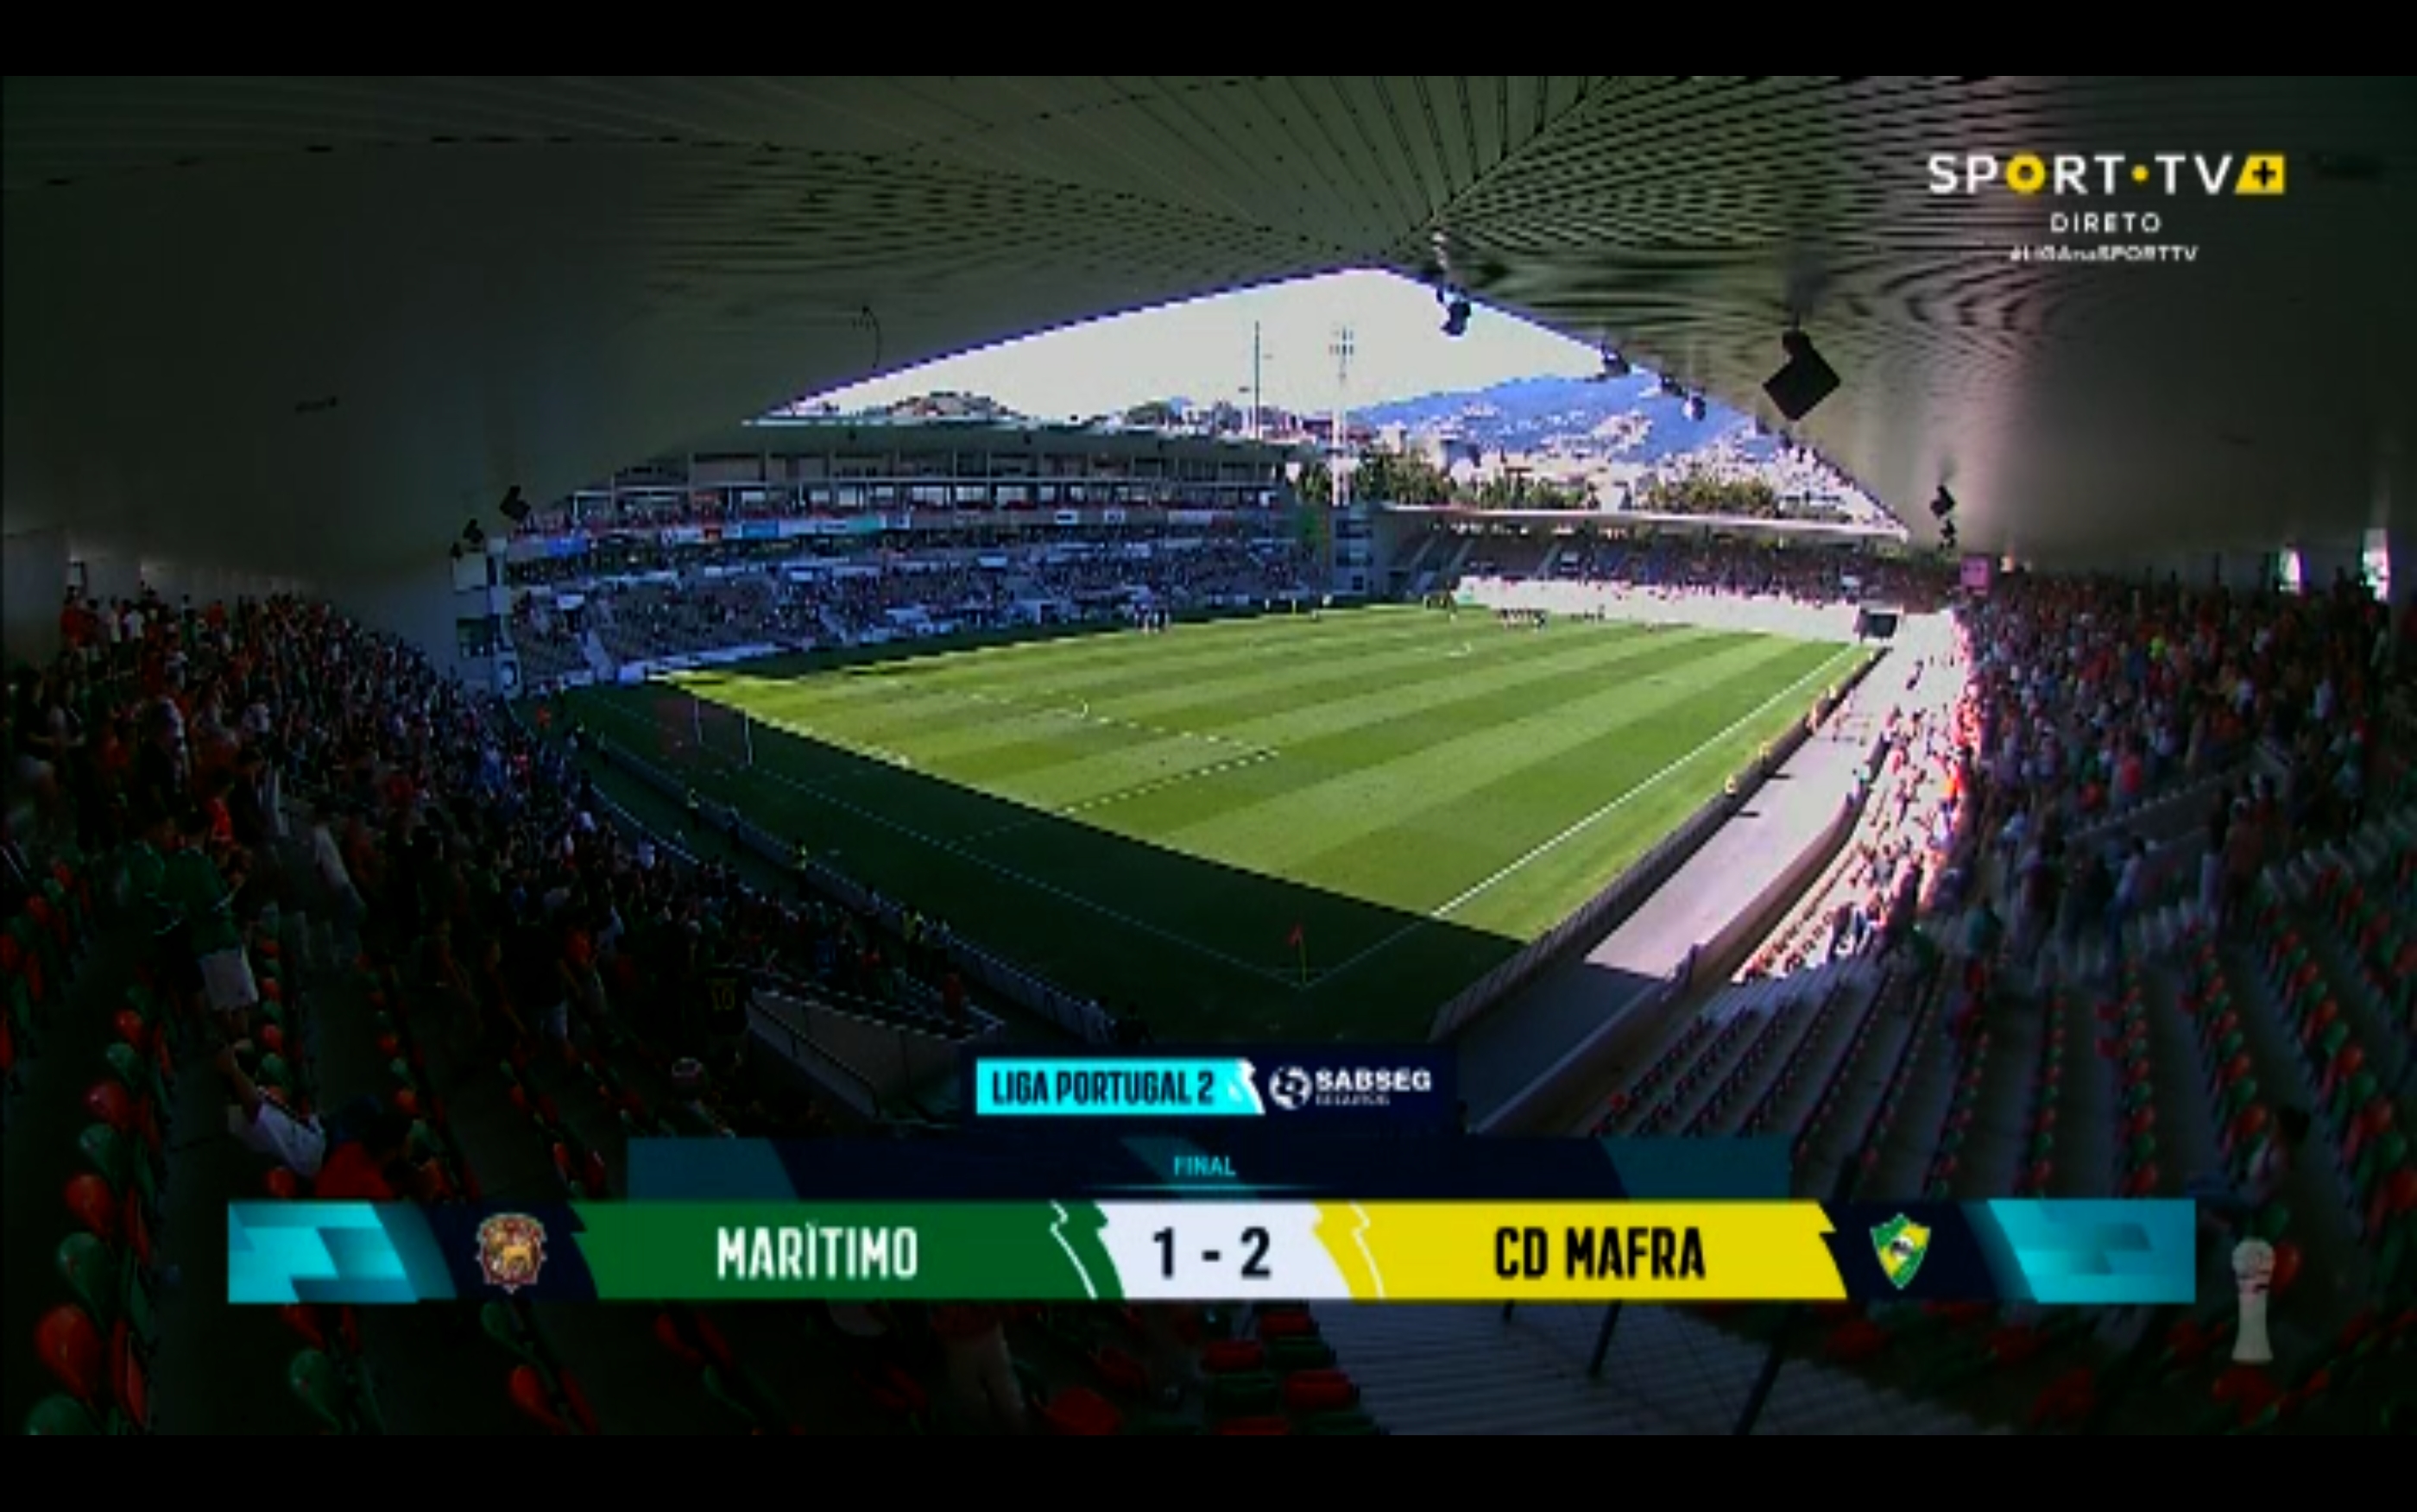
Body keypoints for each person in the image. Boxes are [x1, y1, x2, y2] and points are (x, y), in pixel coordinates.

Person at [930, 1304, 1025, 1433]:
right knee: (1003, 1384)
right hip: (987, 1328)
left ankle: (983, 1427)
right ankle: (1018, 1424)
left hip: (960, 1337)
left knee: (970, 1392)